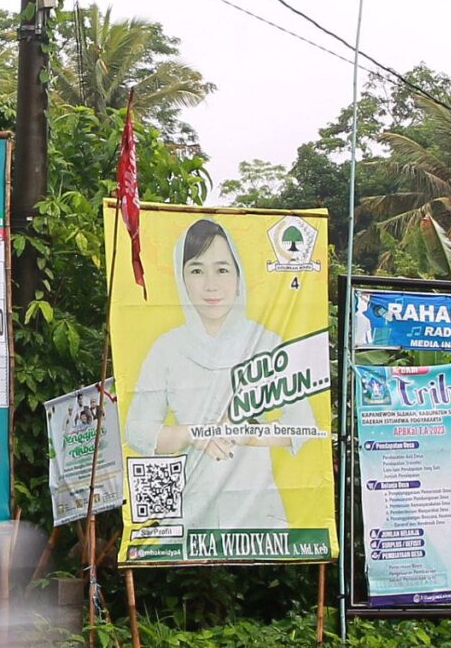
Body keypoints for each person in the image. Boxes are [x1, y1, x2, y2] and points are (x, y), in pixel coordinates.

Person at [120, 218, 314, 530]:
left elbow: (304, 426)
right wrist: (196, 434)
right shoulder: (167, 349)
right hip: (189, 515)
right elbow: (137, 431)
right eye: (197, 269)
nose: (211, 284)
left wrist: (247, 433)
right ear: (182, 278)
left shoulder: (266, 343)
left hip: (258, 515)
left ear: (238, 276)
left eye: (222, 269)